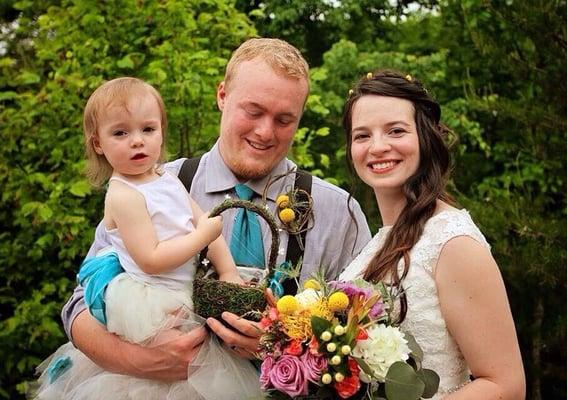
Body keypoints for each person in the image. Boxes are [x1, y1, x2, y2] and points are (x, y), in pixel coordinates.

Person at [60, 38, 372, 381]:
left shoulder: (339, 213)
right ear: (222, 96)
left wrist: (284, 345)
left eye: (284, 119)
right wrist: (141, 361)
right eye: (253, 112)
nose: (265, 131)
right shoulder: (153, 185)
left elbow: (365, 336)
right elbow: (79, 306)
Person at [36, 77, 261, 399]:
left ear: (161, 131)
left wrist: (227, 272)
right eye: (120, 133)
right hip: (150, 300)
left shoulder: (164, 177)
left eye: (148, 129)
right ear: (98, 143)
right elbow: (151, 259)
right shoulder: (123, 195)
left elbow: (203, 222)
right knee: (160, 383)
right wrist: (202, 236)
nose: (137, 142)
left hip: (181, 292)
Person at [339, 71, 526, 399]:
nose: (378, 147)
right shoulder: (377, 243)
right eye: (362, 135)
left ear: (425, 137)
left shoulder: (452, 242)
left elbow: (506, 387)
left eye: (396, 131)